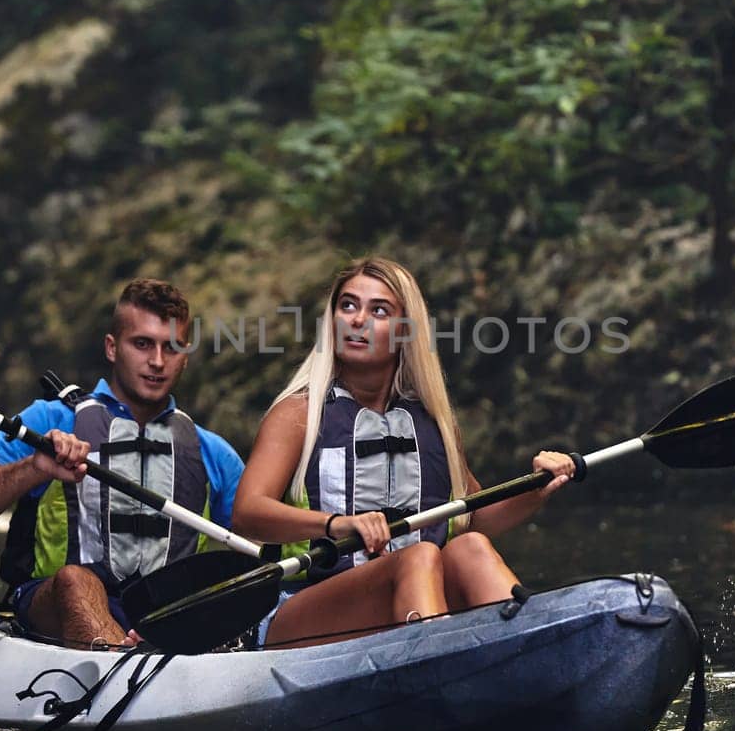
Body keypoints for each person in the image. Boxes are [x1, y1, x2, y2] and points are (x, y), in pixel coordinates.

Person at [232, 256, 576, 648]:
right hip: (303, 612)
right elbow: (247, 513)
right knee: (418, 557)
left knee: (469, 547)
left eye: (378, 310)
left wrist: (536, 489)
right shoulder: (297, 413)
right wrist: (336, 525)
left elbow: (472, 519)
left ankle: (534, 654)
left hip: (406, 605)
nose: (357, 320)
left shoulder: (432, 423)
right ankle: (443, 670)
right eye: (347, 305)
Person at [0, 278, 243, 648]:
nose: (158, 362)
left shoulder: (212, 451)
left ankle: (144, 662)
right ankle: (121, 667)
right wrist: (35, 467)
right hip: (53, 604)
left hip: (166, 613)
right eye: (142, 344)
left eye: (172, 348)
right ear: (112, 348)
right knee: (75, 580)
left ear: (185, 356)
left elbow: (260, 547)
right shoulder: (48, 422)